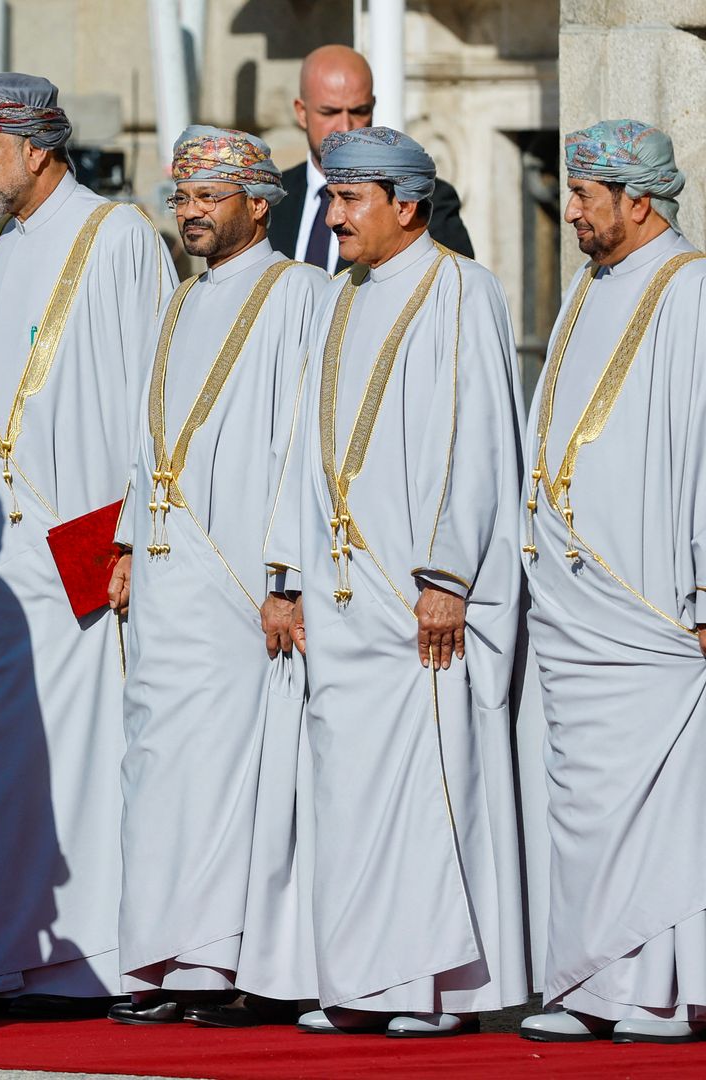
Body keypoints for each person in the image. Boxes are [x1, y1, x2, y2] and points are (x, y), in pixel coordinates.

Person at [265, 126, 527, 1037]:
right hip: (340, 593)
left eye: (348, 201)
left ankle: (433, 989)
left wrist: (448, 574)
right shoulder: (342, 296)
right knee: (347, 792)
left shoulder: (464, 289)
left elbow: (478, 441)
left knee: (424, 787)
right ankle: (362, 983)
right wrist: (287, 574)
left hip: (419, 597)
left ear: (406, 205)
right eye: (329, 198)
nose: (329, 216)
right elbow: (304, 443)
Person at [0, 72, 176, 1005]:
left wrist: (128, 538)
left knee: (86, 760)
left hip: (86, 552)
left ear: (36, 149)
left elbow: (154, 400)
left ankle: (102, 962)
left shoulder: (117, 238)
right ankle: (2, 958)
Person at [104, 127, 327, 1028]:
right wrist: (122, 542)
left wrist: (287, 573)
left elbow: (304, 447)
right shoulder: (178, 300)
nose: (190, 214)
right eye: (182, 199)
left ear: (258, 204)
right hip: (164, 570)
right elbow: (146, 437)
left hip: (243, 580)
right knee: (161, 767)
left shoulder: (299, 293)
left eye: (208, 198)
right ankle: (163, 954)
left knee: (231, 770)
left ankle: (225, 962)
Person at [517, 120, 706, 1046]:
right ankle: (591, 984)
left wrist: (704, 591)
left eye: (587, 195)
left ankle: (661, 993)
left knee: (660, 802)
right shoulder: (586, 290)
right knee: (584, 805)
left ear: (639, 200)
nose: (574, 210)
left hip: (654, 603)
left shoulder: (692, 289)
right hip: (571, 602)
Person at [267, 45, 472, 271]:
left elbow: (455, 288)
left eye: (359, 111)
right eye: (330, 112)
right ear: (301, 113)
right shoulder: (267, 200)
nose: (345, 127)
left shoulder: (422, 200)